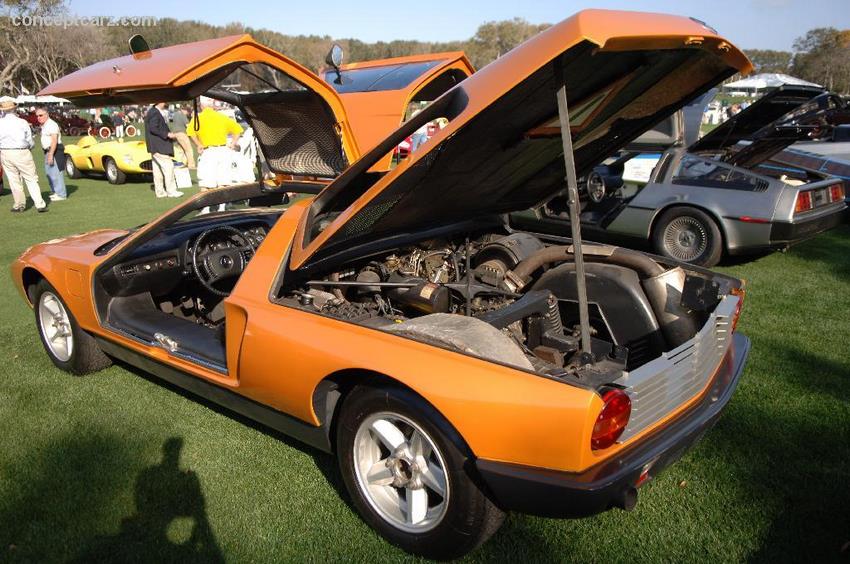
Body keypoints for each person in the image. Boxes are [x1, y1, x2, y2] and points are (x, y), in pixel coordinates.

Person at [187, 97, 248, 191]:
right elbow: (238, 130)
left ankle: (206, 204)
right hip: (223, 151)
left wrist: (198, 144)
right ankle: (222, 204)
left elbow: (190, 133)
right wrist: (233, 143)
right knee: (223, 182)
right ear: (212, 106)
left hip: (208, 152)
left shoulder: (197, 118)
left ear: (202, 106)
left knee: (205, 183)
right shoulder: (222, 117)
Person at [0, 98, 47, 212]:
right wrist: (30, 147)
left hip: (6, 152)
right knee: (31, 178)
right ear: (14, 109)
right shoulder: (22, 122)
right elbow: (29, 140)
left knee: (13, 179)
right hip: (21, 151)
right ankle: (39, 204)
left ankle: (19, 204)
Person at [143, 102, 182, 198]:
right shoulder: (155, 113)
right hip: (159, 145)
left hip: (154, 146)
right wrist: (167, 134)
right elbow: (153, 128)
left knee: (157, 171)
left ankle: (160, 192)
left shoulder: (152, 111)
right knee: (168, 167)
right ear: (160, 102)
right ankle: (171, 191)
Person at [34, 106, 67, 202]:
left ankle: (61, 194)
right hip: (48, 151)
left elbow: (54, 141)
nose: (38, 117)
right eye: (37, 116)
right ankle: (56, 192)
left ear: (47, 114)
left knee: (56, 173)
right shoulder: (45, 125)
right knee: (50, 173)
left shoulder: (52, 124)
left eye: (41, 115)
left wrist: (51, 154)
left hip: (55, 151)